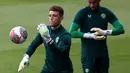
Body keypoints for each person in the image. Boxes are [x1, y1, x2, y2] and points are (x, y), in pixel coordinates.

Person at [69, 0, 125, 73]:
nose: (92, 5)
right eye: (90, 3)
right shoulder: (82, 13)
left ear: (99, 1)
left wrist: (104, 32)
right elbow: (72, 32)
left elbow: (120, 29)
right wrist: (90, 36)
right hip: (88, 56)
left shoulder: (105, 12)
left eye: (94, 2)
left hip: (103, 55)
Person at [18, 6, 73, 73]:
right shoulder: (45, 31)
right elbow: (34, 44)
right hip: (48, 69)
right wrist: (26, 57)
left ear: (61, 18)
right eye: (50, 15)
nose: (51, 18)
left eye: (54, 16)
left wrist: (48, 39)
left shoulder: (65, 36)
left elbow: (58, 54)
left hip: (63, 70)